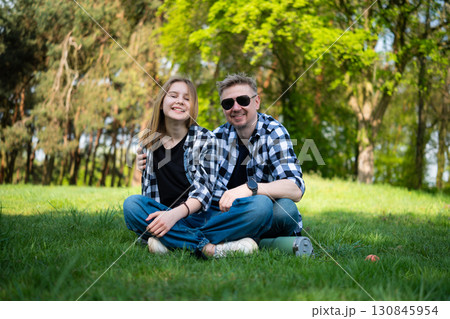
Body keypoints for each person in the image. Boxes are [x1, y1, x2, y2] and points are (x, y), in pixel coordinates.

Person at [135, 73, 306, 253]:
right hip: (222, 215)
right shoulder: (215, 137)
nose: (236, 107)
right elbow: (196, 181)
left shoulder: (273, 131)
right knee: (135, 206)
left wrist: (250, 188)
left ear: (256, 102)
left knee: (282, 209)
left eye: (243, 100)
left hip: (256, 210)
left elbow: (295, 188)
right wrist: (151, 163)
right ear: (223, 108)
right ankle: (219, 246)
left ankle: (176, 240)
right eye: (228, 103)